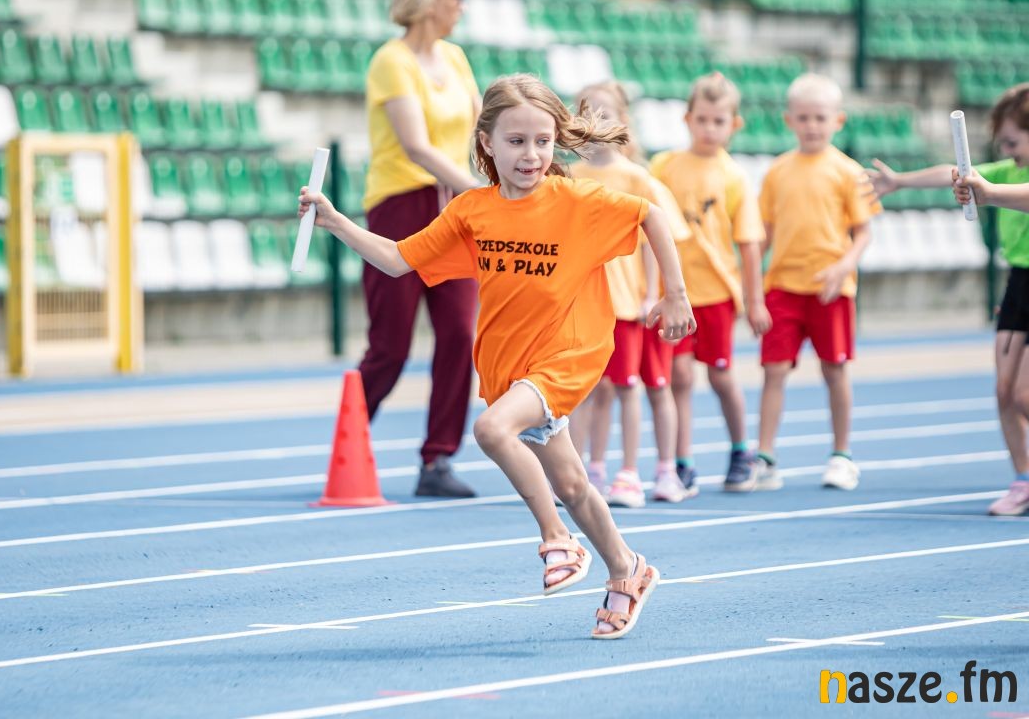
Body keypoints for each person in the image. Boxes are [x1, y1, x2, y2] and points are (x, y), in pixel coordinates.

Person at [298, 73, 696, 639]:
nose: (531, 155)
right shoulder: (473, 212)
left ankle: (557, 539)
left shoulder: (576, 202)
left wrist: (674, 294)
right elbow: (398, 259)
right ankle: (628, 570)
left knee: (490, 430)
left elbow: (650, 214)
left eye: (542, 141)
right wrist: (335, 220)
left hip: (568, 354)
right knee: (573, 485)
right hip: (510, 368)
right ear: (486, 142)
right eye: (516, 141)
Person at [868, 83, 1029, 515]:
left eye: (1013, 142)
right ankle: (1023, 479)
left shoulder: (1009, 183)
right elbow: (954, 171)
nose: (1007, 151)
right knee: (1003, 391)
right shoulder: (1008, 170)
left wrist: (989, 193)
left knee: (1024, 395)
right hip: (1019, 283)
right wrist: (900, 181)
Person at [362, 0, 483, 498]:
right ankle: (352, 431)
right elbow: (415, 145)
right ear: (430, 1)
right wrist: (476, 189)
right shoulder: (391, 61)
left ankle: (438, 458)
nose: (462, 7)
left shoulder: (455, 58)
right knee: (391, 344)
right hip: (402, 208)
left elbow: (482, 126)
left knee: (460, 333)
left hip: (453, 206)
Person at [568, 82, 693, 506]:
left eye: (605, 113)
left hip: (626, 303)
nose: (596, 122)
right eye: (587, 113)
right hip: (584, 304)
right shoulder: (570, 176)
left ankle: (633, 472)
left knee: (630, 386)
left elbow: (654, 238)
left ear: (623, 120)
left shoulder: (636, 178)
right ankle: (584, 471)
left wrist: (650, 293)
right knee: (587, 390)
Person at [753, 73, 876, 491]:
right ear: (789, 120)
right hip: (782, 288)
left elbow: (864, 232)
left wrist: (844, 267)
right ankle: (765, 457)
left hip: (831, 289)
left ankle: (842, 455)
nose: (811, 126)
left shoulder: (848, 172)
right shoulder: (777, 171)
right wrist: (750, 286)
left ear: (837, 120)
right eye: (803, 118)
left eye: (820, 118)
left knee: (835, 369)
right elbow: (763, 234)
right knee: (773, 370)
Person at [650, 73, 770, 493]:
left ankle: (741, 450)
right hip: (674, 293)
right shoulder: (663, 166)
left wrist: (755, 300)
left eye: (718, 121)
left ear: (734, 125)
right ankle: (681, 461)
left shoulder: (734, 177)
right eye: (701, 119)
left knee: (720, 375)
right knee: (679, 376)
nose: (709, 129)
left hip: (716, 295)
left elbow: (749, 244)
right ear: (687, 119)